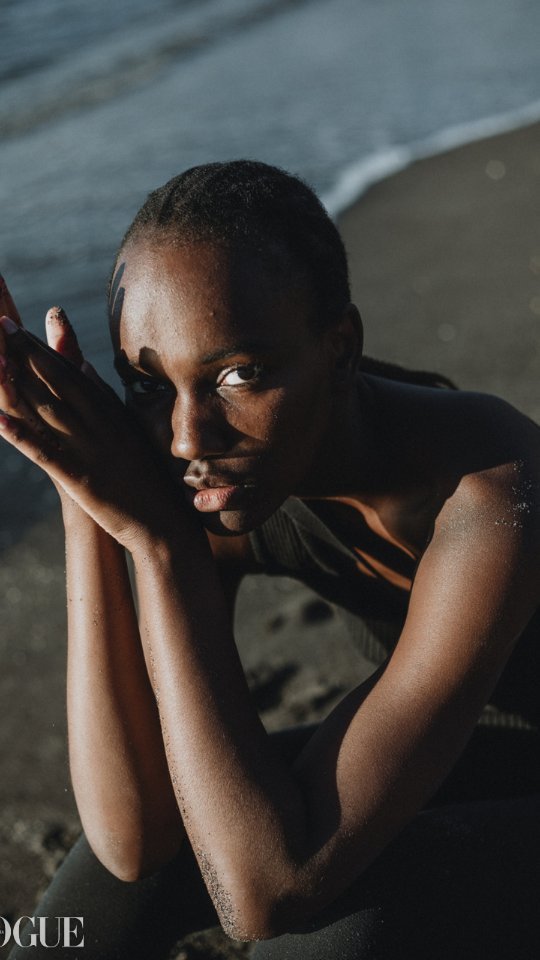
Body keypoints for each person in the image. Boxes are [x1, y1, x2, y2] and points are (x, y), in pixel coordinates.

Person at [1, 160, 539, 960]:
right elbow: (132, 843)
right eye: (147, 387)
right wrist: (79, 492)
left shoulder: (494, 497)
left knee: (313, 943)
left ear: (340, 349)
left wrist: (162, 552)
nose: (188, 438)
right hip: (461, 753)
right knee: (66, 928)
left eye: (237, 375)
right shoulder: (222, 471)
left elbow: (263, 893)